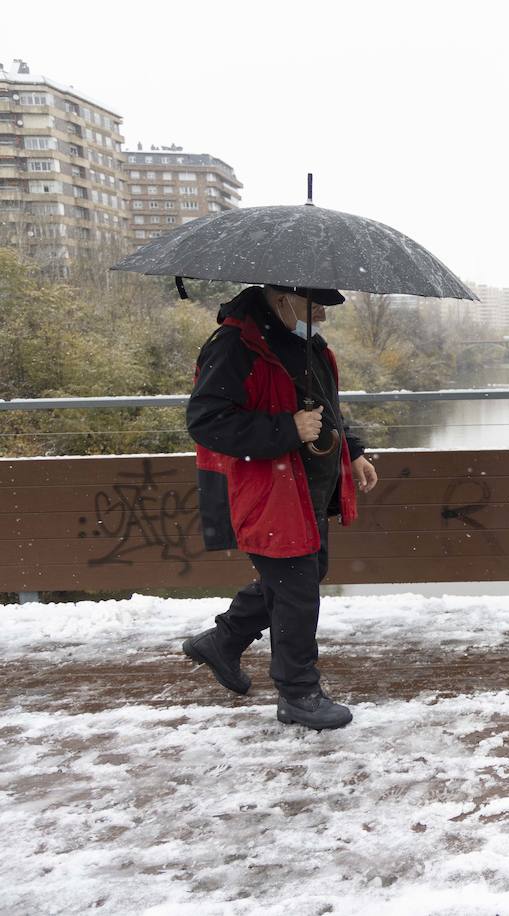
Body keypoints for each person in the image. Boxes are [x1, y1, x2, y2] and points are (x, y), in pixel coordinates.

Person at [181, 284, 379, 730]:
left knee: (304, 576)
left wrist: (353, 449)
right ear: (281, 297)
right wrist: (285, 429)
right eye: (316, 307)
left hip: (308, 491)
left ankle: (224, 640)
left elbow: (326, 410)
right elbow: (206, 421)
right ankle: (298, 694)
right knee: (297, 592)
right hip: (270, 491)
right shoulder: (236, 347)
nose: (323, 317)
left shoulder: (303, 344)